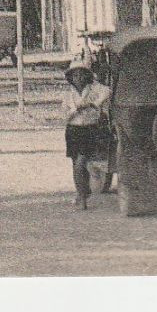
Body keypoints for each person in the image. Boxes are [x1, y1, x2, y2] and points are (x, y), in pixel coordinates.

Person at [61, 60, 112, 210]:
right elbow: (65, 116)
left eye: (81, 74)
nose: (78, 78)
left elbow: (107, 92)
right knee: (76, 163)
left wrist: (93, 104)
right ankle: (81, 192)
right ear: (71, 78)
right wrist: (76, 109)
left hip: (90, 129)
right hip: (73, 130)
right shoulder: (68, 95)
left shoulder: (94, 89)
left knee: (80, 163)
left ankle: (82, 198)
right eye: (75, 75)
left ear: (86, 76)